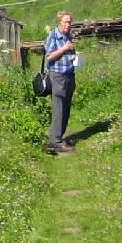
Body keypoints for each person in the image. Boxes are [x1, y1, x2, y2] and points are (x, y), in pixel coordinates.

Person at [43, 11, 78, 154]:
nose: (69, 25)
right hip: (57, 76)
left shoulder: (67, 36)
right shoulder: (53, 36)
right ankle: (55, 141)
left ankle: (60, 138)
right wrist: (64, 48)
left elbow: (69, 53)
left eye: (70, 22)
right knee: (59, 107)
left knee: (66, 107)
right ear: (59, 22)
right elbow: (50, 57)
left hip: (69, 75)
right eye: (66, 22)